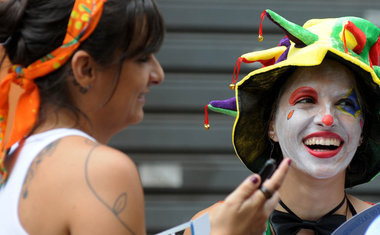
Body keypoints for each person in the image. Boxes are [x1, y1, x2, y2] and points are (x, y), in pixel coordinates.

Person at [0, 1, 291, 234]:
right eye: (142, 58)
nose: (158, 75)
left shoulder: (12, 154)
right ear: (85, 69)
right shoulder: (101, 171)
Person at [189, 9, 380, 235]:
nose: (327, 119)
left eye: (346, 104)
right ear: (271, 126)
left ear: (362, 131)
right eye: (307, 100)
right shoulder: (211, 227)